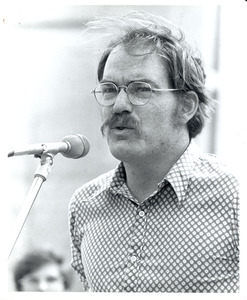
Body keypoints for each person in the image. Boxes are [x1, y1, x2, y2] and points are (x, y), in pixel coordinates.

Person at [69, 11, 239, 293]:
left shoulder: (235, 196)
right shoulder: (84, 204)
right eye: (109, 89)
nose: (119, 104)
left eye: (141, 89)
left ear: (186, 106)